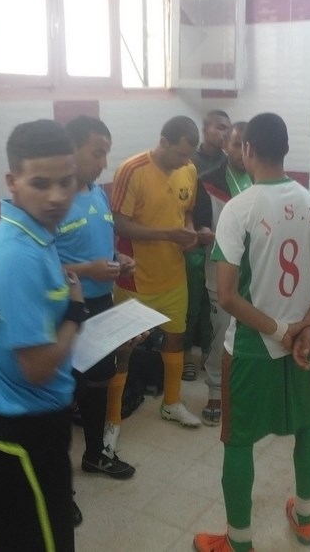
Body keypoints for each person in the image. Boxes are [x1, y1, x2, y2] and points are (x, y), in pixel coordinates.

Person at [193, 113, 310, 552]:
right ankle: (305, 519)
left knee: (238, 441)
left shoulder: (239, 209)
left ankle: (239, 542)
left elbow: (227, 296)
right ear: (285, 150)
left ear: (247, 150)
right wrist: (306, 326)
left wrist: (281, 330)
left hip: (252, 345)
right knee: (306, 426)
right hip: (301, 344)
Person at [0, 119, 84, 552]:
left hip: (31, 423)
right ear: (12, 181)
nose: (56, 196)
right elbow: (36, 369)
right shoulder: (18, 255)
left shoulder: (35, 235)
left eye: (66, 182)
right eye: (40, 183)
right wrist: (76, 314)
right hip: (26, 432)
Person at [56, 115, 137, 480]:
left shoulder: (97, 193)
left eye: (106, 153)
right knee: (67, 390)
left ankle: (94, 454)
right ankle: (60, 482)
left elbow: (103, 246)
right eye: (97, 152)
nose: (104, 163)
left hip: (102, 303)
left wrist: (119, 259)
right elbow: (42, 265)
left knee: (100, 381)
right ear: (71, 150)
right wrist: (89, 270)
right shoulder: (54, 201)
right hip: (68, 309)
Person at [111, 116, 203, 428]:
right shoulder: (132, 170)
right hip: (135, 279)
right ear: (163, 142)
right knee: (124, 348)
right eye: (181, 153)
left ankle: (172, 403)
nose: (186, 161)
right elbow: (119, 224)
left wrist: (189, 232)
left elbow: (186, 211)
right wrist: (167, 234)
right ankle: (113, 420)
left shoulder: (189, 169)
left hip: (174, 276)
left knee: (175, 339)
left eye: (189, 155)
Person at [193, 121, 251, 425]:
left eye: (247, 145)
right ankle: (216, 391)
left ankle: (244, 390)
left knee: (253, 335)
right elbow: (199, 225)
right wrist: (206, 233)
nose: (242, 151)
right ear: (225, 147)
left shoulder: (264, 181)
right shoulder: (207, 182)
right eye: (236, 145)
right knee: (221, 335)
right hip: (221, 271)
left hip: (257, 273)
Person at [183, 110, 232, 381]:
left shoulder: (228, 164)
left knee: (212, 307)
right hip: (193, 243)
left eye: (227, 128)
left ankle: (207, 353)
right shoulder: (189, 161)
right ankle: (185, 356)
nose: (224, 133)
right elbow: (183, 205)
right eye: (219, 127)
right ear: (205, 129)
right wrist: (192, 230)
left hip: (218, 245)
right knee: (191, 304)